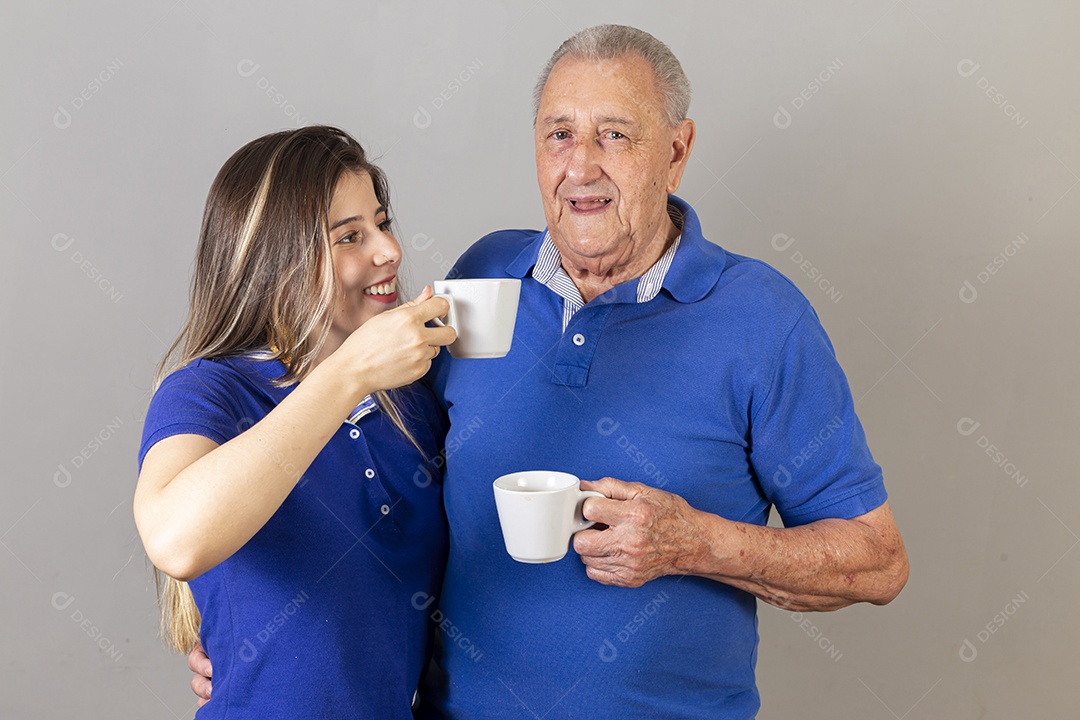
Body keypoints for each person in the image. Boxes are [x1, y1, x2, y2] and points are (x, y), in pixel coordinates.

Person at [191, 25, 908, 719]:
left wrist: (696, 543)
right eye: (559, 134)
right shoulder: (480, 282)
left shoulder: (764, 319)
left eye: (615, 134)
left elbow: (876, 560)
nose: (582, 165)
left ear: (677, 151)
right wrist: (264, 634)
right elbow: (377, 475)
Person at [136, 125, 456, 718]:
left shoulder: (412, 402)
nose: (390, 251)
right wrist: (347, 375)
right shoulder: (210, 390)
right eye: (351, 236)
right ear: (276, 260)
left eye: (382, 224)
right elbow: (176, 540)